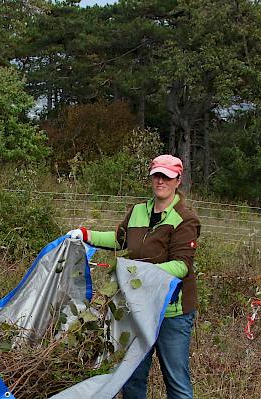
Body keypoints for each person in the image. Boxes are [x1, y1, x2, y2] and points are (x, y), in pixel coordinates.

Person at [67, 154, 201, 399]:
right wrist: (85, 234)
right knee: (132, 376)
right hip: (137, 309)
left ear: (177, 180)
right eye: (156, 175)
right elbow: (119, 240)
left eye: (167, 177)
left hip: (171, 311)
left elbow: (182, 266)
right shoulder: (138, 211)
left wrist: (137, 272)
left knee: (177, 380)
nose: (161, 181)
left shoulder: (186, 219)